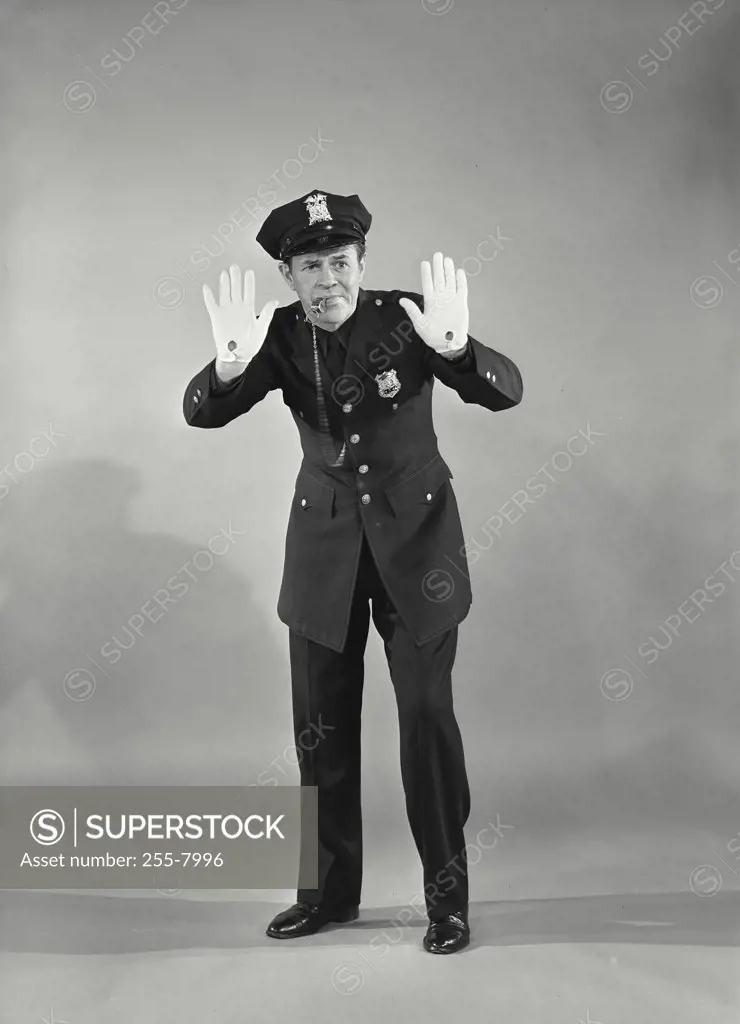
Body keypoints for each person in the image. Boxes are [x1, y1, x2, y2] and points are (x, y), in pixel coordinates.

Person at [183, 189, 523, 954]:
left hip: (420, 550)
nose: (327, 279)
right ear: (289, 274)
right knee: (320, 732)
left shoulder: (411, 316)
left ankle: (447, 904)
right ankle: (329, 897)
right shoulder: (272, 335)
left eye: (340, 263)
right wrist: (229, 365)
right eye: (310, 266)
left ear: (361, 264)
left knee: (427, 724)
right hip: (325, 553)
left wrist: (462, 350)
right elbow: (200, 411)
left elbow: (506, 392)